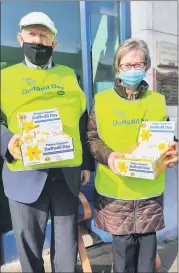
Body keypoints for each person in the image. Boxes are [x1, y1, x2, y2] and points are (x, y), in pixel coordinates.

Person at [0, 12, 94, 273]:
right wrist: (7, 141)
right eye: (32, 34)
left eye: (45, 36)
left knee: (66, 250)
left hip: (66, 174)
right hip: (24, 175)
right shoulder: (4, 78)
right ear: (20, 39)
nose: (38, 41)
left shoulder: (70, 76)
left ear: (54, 43)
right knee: (29, 251)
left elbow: (81, 121)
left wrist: (86, 163)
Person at [87, 38, 178, 273]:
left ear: (146, 66)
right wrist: (109, 156)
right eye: (127, 65)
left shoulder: (157, 101)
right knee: (124, 255)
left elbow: (166, 137)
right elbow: (92, 139)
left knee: (147, 255)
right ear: (118, 68)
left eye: (138, 64)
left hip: (149, 191)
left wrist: (173, 150)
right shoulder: (103, 101)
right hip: (116, 190)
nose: (133, 70)